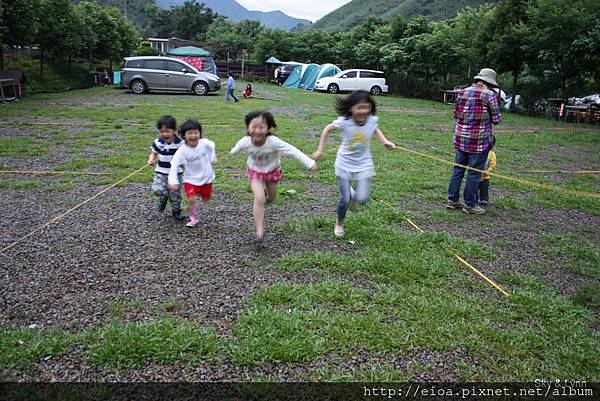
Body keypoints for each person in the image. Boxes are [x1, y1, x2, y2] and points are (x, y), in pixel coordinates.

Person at [313, 90, 396, 238]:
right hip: (344, 164)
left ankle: (354, 196)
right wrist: (320, 150)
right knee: (344, 199)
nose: (363, 111)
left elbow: (374, 128)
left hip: (364, 164)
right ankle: (339, 223)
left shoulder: (371, 120)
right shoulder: (345, 122)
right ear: (351, 108)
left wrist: (384, 141)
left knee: (362, 199)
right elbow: (327, 129)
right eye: (359, 107)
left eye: (366, 107)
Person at [230, 110, 317, 243]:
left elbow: (292, 151)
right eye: (253, 126)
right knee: (259, 198)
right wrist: (234, 152)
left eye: (261, 127)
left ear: (268, 128)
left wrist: (309, 162)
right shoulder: (245, 141)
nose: (257, 130)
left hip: (272, 171)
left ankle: (265, 200)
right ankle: (259, 231)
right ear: (248, 127)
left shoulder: (273, 142)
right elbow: (236, 149)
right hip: (255, 172)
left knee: (271, 197)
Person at [447, 68, 501, 215]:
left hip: (460, 138)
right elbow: (496, 120)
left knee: (458, 169)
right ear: (490, 82)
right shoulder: (490, 95)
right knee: (474, 173)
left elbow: (456, 114)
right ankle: (470, 204)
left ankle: (452, 200)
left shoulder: (462, 92)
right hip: (479, 141)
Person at [167, 119, 217, 228]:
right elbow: (174, 165)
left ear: (200, 133)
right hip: (190, 180)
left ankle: (204, 195)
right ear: (184, 136)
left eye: (196, 132)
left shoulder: (204, 143)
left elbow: (212, 146)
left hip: (206, 178)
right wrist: (173, 181)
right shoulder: (182, 151)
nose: (193, 136)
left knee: (206, 199)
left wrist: (213, 157)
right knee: (191, 199)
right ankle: (193, 218)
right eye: (190, 133)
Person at [148, 115, 185, 220]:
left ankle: (176, 211)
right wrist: (151, 159)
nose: (164, 134)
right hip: (161, 172)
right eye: (162, 131)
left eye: (167, 131)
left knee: (175, 195)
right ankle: (163, 199)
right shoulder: (158, 142)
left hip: (176, 173)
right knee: (158, 190)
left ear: (174, 130)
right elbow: (153, 153)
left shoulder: (180, 143)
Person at [478, 134, 496, 206]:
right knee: (474, 188)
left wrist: (488, 170)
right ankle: (474, 199)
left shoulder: (491, 154)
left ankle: (484, 199)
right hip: (476, 176)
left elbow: (492, 164)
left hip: (485, 177)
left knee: (484, 189)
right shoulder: (478, 152)